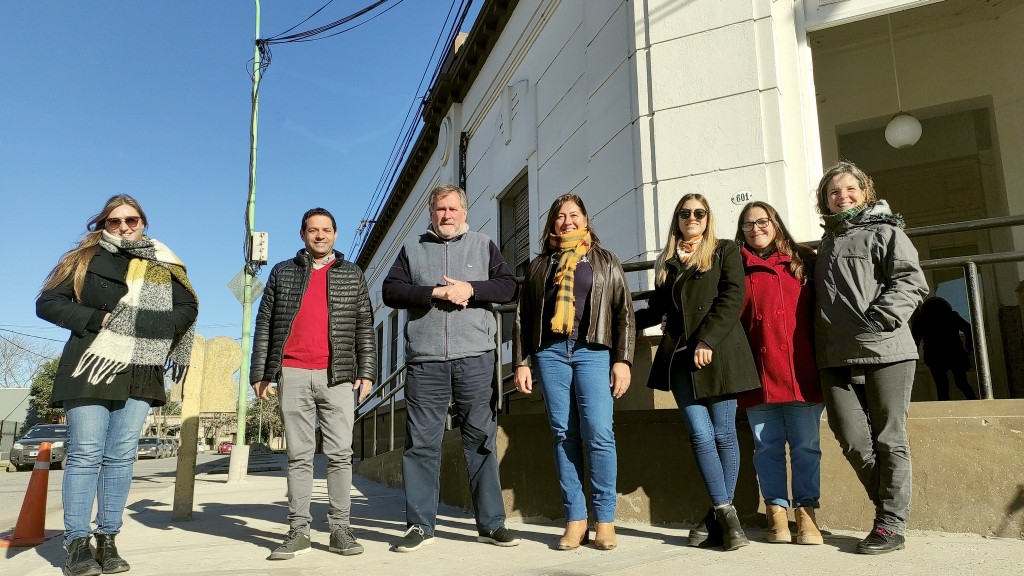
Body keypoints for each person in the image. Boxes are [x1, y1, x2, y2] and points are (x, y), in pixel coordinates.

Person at [37, 195, 198, 576]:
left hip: (141, 367)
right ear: (103, 225)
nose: (124, 227)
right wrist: (101, 319)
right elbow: (48, 303)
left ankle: (108, 539)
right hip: (92, 365)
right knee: (86, 453)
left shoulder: (164, 261)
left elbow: (188, 308)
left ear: (143, 222)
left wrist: (151, 326)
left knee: (122, 455)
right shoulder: (82, 259)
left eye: (132, 220)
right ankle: (77, 544)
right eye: (115, 221)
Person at [382, 183, 520, 552]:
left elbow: (508, 287)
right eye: (440, 209)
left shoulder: (483, 244)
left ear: (464, 213)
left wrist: (471, 290)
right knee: (421, 444)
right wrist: (434, 292)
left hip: (475, 357)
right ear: (431, 214)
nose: (446, 215)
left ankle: (491, 524)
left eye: (453, 209)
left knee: (481, 440)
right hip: (425, 361)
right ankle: (420, 525)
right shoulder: (412, 249)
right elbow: (390, 291)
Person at [814, 161, 928, 555]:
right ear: (824, 200)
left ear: (865, 193)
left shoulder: (886, 232)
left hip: (886, 349)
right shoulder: (825, 244)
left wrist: (878, 320)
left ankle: (890, 525)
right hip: (835, 355)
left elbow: (911, 282)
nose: (842, 196)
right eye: (834, 191)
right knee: (851, 438)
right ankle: (889, 510)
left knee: (888, 438)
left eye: (850, 189)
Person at [250, 207, 377, 560]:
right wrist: (260, 372)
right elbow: (265, 324)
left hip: (338, 376)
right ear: (303, 234)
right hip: (292, 373)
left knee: (340, 455)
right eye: (312, 230)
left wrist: (367, 370)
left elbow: (364, 325)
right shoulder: (282, 272)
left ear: (335, 234)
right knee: (299, 456)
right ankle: (298, 530)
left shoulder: (352, 273)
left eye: (326, 230)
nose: (320, 235)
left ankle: (340, 529)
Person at [636, 193, 760, 551]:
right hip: (679, 359)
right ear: (677, 219)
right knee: (701, 435)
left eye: (699, 213)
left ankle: (717, 520)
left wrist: (707, 339)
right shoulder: (667, 262)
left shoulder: (724, 251)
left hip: (718, 353)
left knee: (723, 434)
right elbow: (656, 309)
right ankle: (726, 516)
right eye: (685, 213)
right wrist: (616, 317)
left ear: (708, 218)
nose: (692, 218)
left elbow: (733, 298)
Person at [512, 194, 635, 551]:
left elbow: (624, 313)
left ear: (585, 219)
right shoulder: (540, 266)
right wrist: (521, 361)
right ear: (552, 223)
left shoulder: (605, 260)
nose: (567, 221)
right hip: (550, 353)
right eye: (560, 216)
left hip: (593, 351)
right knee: (564, 434)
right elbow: (522, 316)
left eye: (574, 214)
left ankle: (605, 519)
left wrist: (623, 360)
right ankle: (576, 519)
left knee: (599, 433)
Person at [734, 201, 825, 545]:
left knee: (806, 446)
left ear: (775, 223)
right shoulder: (735, 267)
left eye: (762, 222)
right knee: (766, 447)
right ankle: (776, 512)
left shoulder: (804, 260)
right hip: (758, 373)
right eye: (747, 224)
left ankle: (806, 513)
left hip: (802, 370)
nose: (755, 229)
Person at [911, 296, 977, 401]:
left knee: (942, 387)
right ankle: (976, 403)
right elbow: (968, 329)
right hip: (954, 353)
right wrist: (970, 348)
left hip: (935, 356)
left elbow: (915, 340)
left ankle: (947, 407)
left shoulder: (921, 319)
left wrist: (914, 359)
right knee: (961, 383)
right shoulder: (951, 315)